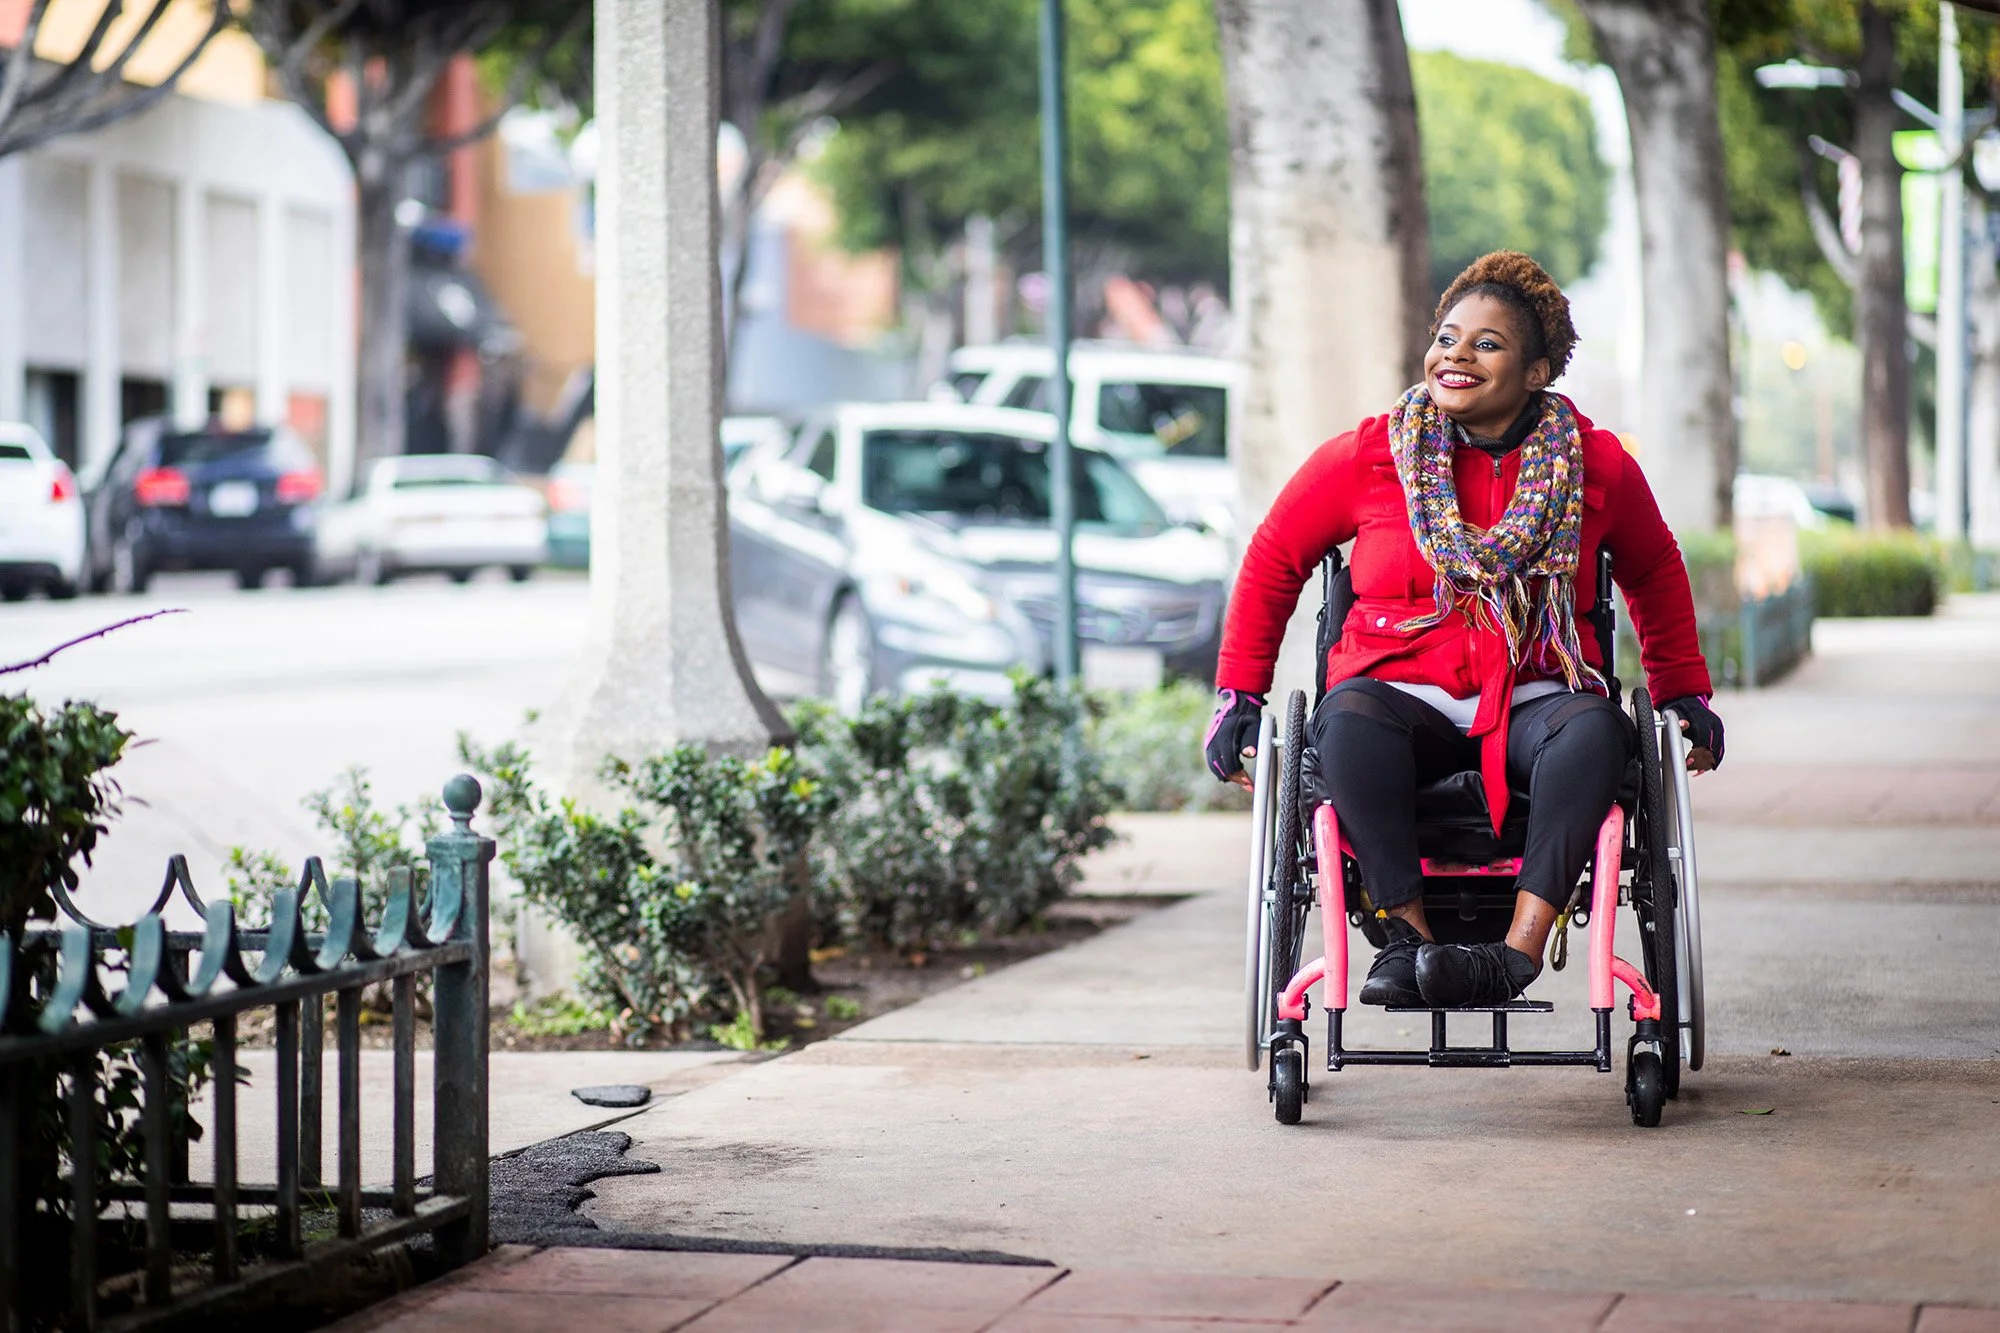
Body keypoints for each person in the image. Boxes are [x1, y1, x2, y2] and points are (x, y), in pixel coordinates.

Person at [1204, 251, 1723, 1009]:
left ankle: (1512, 955)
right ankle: (1407, 939)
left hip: (1535, 695)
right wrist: (1238, 694)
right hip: (1394, 697)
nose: (1457, 356)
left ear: (1537, 371)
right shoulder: (1370, 454)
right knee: (1341, 724)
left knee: (1597, 734)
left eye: (1488, 344)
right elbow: (1274, 557)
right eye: (1448, 337)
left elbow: (1655, 571)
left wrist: (1683, 694)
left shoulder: (1595, 466)